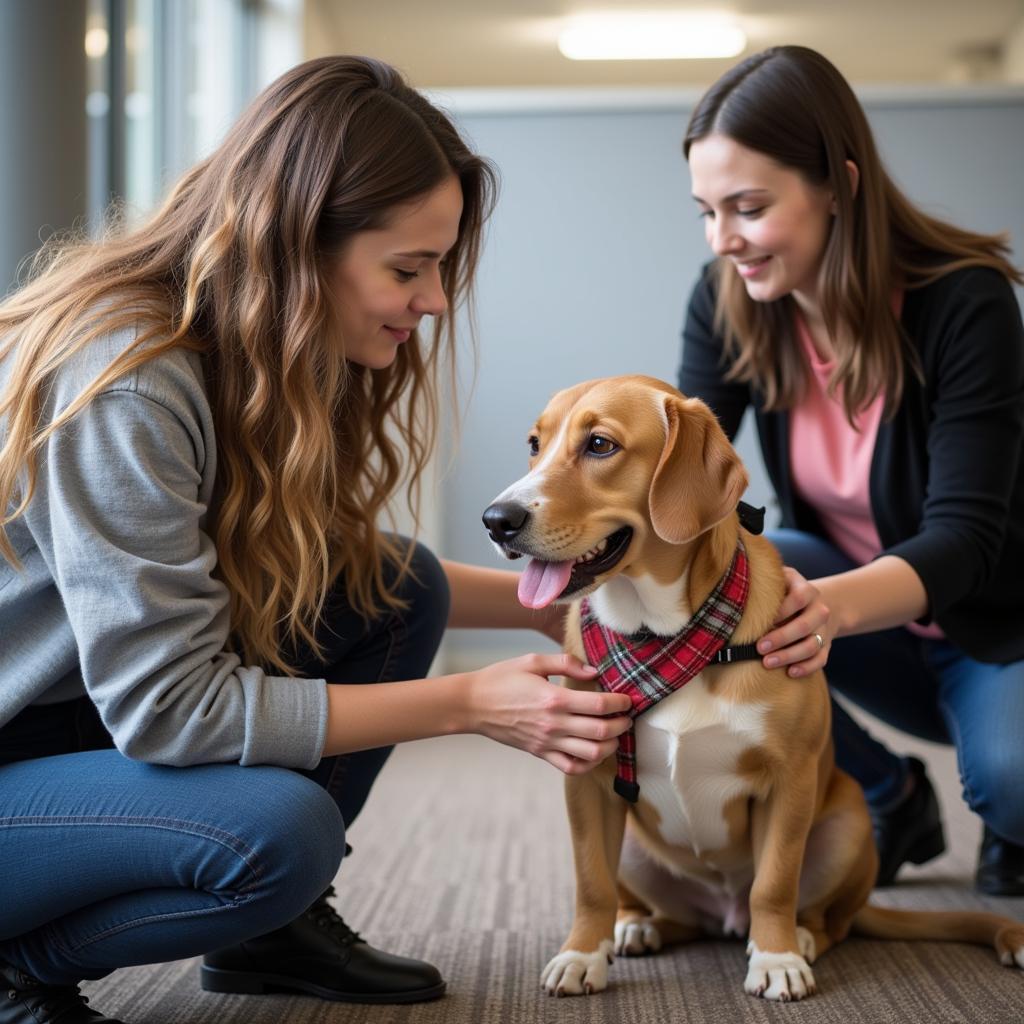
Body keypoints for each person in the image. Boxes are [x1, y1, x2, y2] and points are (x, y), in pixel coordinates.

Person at [0, 56, 633, 1024]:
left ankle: (268, 933)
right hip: (33, 748)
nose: (432, 302)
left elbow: (323, 563)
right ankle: (18, 969)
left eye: (439, 268)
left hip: (76, 711)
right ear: (296, 245)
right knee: (275, 835)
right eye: (407, 268)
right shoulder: (128, 381)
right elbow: (174, 712)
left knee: (395, 582)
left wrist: (567, 598)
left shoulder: (248, 353)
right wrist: (466, 703)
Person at [678, 45, 1024, 896]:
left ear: (838, 184)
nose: (725, 241)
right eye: (706, 211)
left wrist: (825, 608)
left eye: (748, 208)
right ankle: (887, 791)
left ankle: (1005, 819)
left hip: (988, 620)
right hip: (859, 623)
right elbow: (683, 492)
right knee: (720, 564)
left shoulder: (965, 301)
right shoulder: (729, 302)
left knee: (1012, 786)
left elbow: (966, 538)